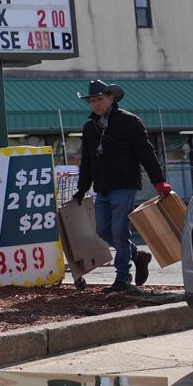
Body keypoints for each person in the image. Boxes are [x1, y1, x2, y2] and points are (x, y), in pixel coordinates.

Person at [71, 79, 172, 291]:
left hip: (124, 185)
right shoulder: (89, 127)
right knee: (103, 231)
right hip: (102, 187)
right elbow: (87, 161)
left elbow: (147, 153)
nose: (96, 104)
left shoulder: (129, 121)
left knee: (118, 231)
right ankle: (138, 255)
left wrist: (159, 181)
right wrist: (81, 189)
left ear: (111, 98)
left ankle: (122, 278)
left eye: (99, 99)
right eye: (92, 101)